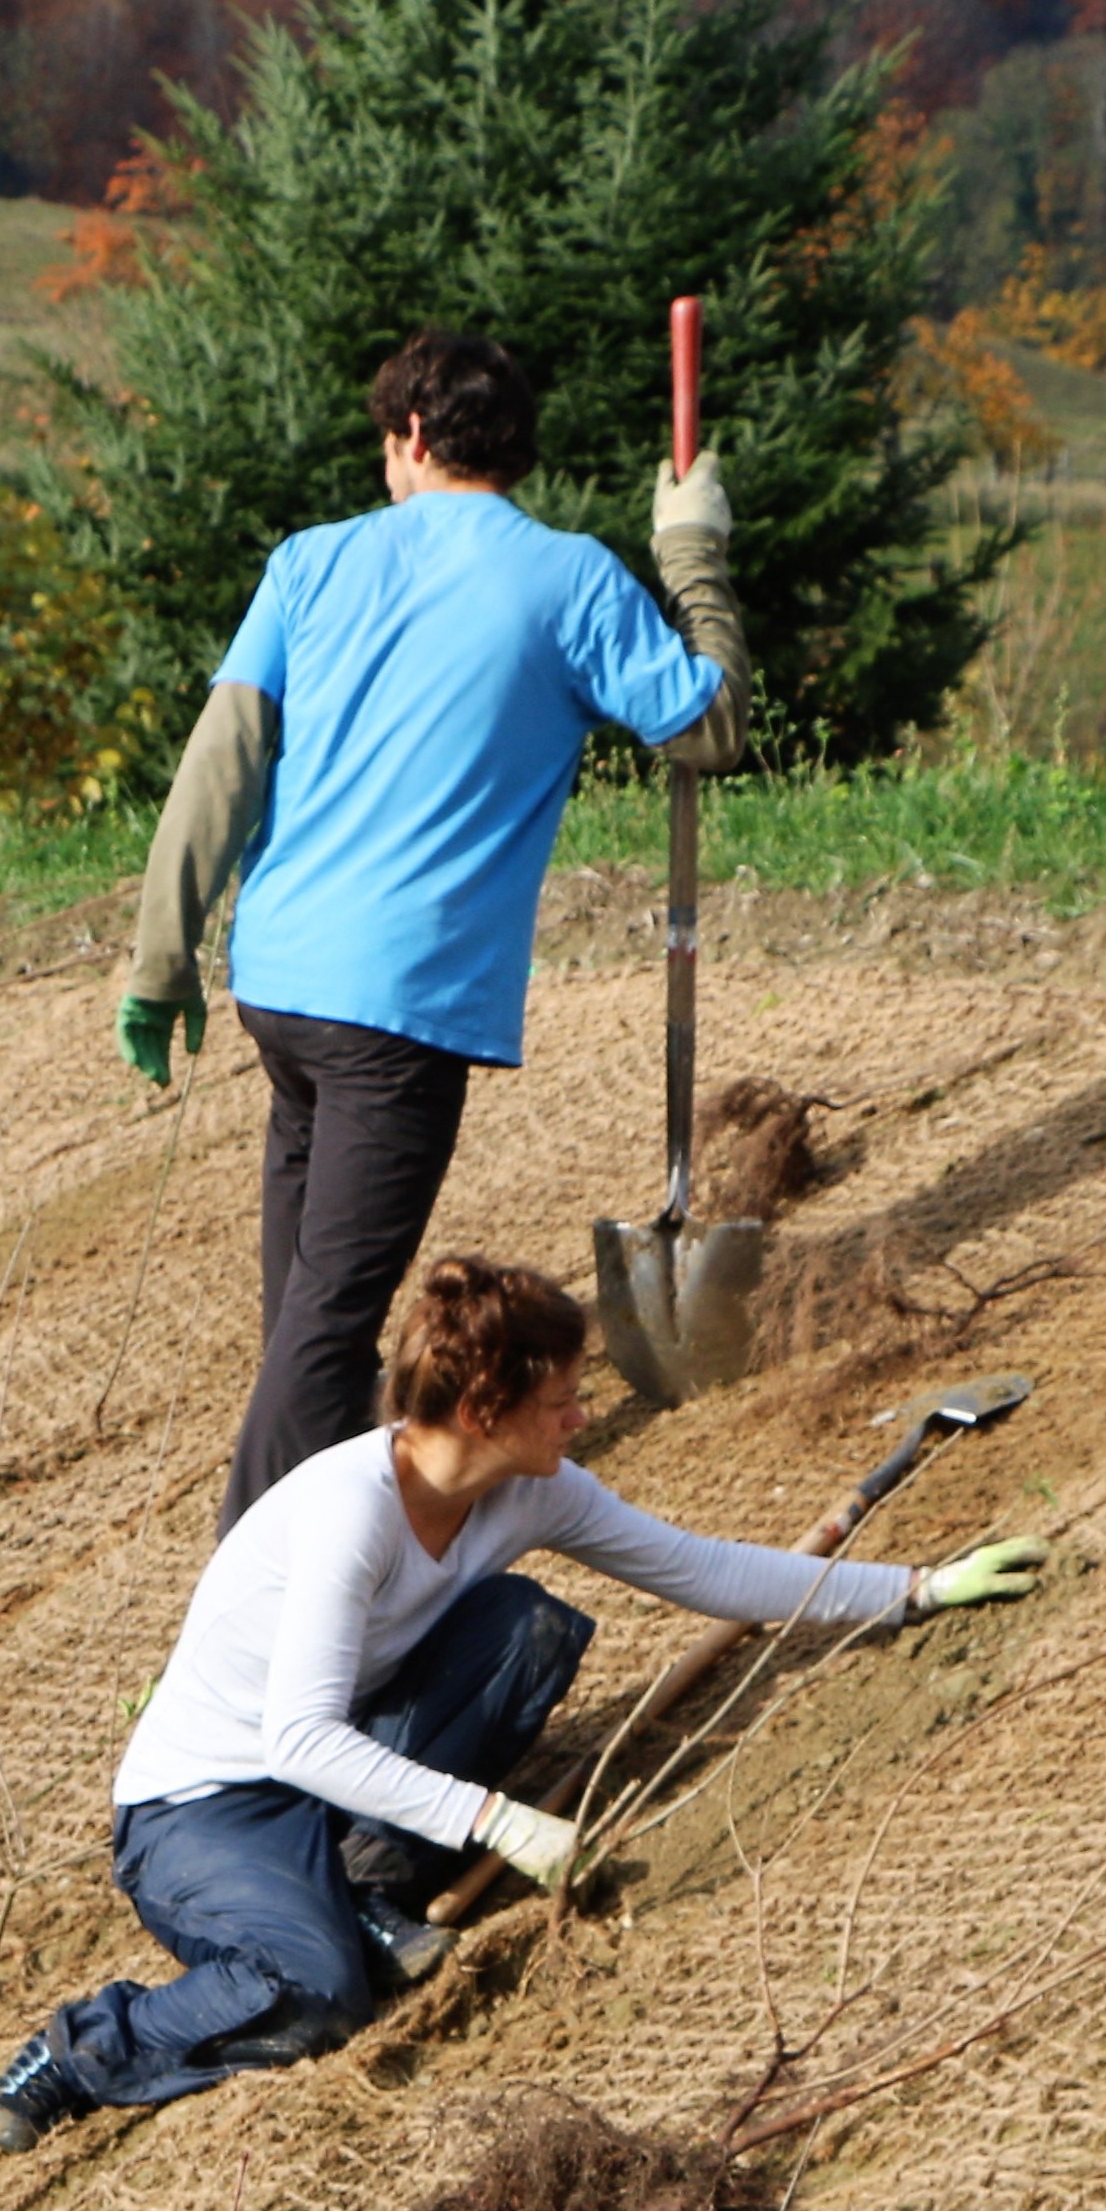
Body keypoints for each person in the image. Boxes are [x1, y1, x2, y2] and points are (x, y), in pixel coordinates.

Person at [0, 1258, 1043, 2150]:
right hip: (203, 1808)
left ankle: (357, 1889)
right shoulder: (352, 1513)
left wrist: (910, 1591)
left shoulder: (536, 1489)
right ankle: (85, 2050)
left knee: (524, 1628)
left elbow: (701, 1569)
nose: (583, 1416)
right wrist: (491, 1821)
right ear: (485, 1412)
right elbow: (296, 1736)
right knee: (325, 1990)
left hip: (337, 1760)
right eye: (562, 1402)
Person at [119, 328, 751, 1526]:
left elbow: (223, 762)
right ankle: (244, 1617)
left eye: (386, 446)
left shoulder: (307, 564)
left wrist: (163, 958)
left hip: (285, 989)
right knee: (325, 1329)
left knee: (301, 1311)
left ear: (413, 436)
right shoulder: (567, 580)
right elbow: (707, 727)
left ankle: (347, 1544)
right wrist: (695, 559)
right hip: (396, 1015)